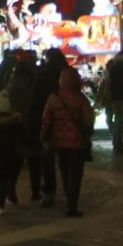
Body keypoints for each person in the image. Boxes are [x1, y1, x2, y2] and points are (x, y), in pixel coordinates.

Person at [41, 66, 94, 217]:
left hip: (59, 143)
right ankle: (73, 205)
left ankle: (68, 198)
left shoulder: (54, 99)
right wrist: (87, 134)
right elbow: (88, 120)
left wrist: (45, 137)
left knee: (64, 172)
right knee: (75, 175)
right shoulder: (81, 99)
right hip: (78, 143)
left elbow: (46, 121)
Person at [28, 47, 67, 204]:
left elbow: (36, 99)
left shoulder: (42, 74)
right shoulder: (66, 73)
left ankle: (49, 192)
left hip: (47, 119)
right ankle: (69, 189)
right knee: (65, 158)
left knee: (48, 158)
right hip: (65, 121)